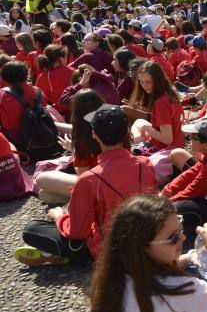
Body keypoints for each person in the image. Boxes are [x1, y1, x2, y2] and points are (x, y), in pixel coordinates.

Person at [16, 104, 157, 266]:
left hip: (109, 252)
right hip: (144, 242)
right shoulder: (145, 163)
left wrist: (59, 217)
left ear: (94, 135)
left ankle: (64, 255)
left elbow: (76, 232)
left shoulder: (89, 179)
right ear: (127, 132)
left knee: (32, 229)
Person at [35, 89, 104, 204]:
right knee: (44, 194)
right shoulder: (116, 125)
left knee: (41, 180)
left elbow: (83, 176)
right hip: (117, 178)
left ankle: (84, 200)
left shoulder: (83, 139)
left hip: (99, 185)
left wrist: (73, 150)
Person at [0, 61, 41, 148]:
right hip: (38, 134)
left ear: (4, 77)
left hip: (13, 139)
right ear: (25, 74)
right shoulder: (37, 91)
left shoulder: (2, 95)